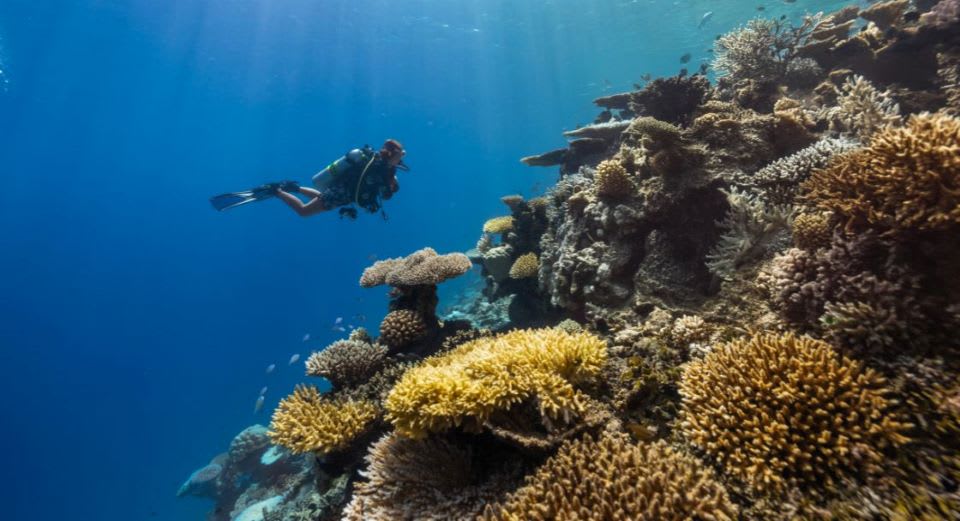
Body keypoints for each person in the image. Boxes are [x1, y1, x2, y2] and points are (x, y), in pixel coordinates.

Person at [209, 139, 408, 219]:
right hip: (342, 192)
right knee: (304, 212)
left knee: (322, 197)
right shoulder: (382, 167)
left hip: (341, 193)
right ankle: (276, 191)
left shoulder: (380, 168)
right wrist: (397, 155)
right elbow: (392, 148)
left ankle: (294, 189)